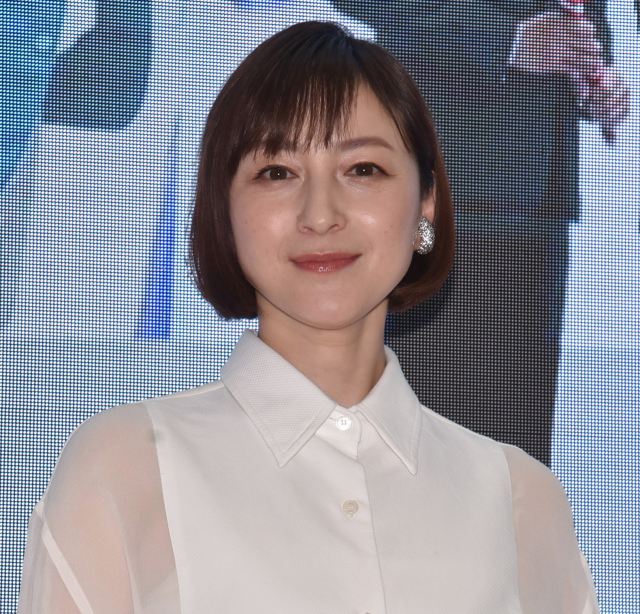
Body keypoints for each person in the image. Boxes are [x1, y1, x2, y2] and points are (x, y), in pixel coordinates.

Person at [18, 21, 599, 612]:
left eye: (363, 169)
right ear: (224, 208)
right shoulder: (124, 470)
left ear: (426, 202)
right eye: (277, 172)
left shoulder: (520, 499)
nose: (320, 215)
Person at [333, 0, 630, 465]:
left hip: (539, 200)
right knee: (420, 450)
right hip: (448, 189)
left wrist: (593, 63)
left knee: (513, 459)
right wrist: (507, 40)